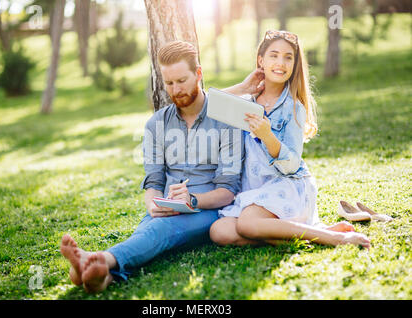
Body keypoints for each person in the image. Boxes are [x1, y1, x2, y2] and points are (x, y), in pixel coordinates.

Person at [60, 40, 244, 293]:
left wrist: (192, 200)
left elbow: (228, 191)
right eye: (169, 83)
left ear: (198, 74)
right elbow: (154, 180)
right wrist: (153, 205)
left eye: (181, 81)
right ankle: (102, 278)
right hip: (167, 209)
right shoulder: (156, 124)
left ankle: (102, 259)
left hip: (208, 210)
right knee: (151, 231)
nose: (175, 90)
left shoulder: (226, 120)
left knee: (158, 231)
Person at [209, 30, 371, 249]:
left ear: (295, 65)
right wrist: (242, 88)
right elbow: (203, 106)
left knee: (247, 223)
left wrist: (268, 136)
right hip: (254, 191)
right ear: (261, 61)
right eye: (273, 55)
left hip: (286, 186)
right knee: (219, 231)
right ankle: (306, 232)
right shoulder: (247, 101)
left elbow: (292, 164)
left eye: (288, 57)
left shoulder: (293, 108)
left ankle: (334, 238)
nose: (280, 63)